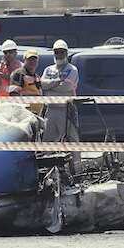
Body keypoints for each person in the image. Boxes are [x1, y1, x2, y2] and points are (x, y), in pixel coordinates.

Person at [39, 40, 80, 169]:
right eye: (56, 52)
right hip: (50, 110)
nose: (59, 54)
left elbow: (67, 86)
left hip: (66, 110)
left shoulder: (72, 69)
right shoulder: (48, 69)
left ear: (66, 53)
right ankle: (46, 170)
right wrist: (57, 82)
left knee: (70, 142)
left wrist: (50, 86)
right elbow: (42, 84)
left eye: (62, 52)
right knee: (47, 142)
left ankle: (76, 170)